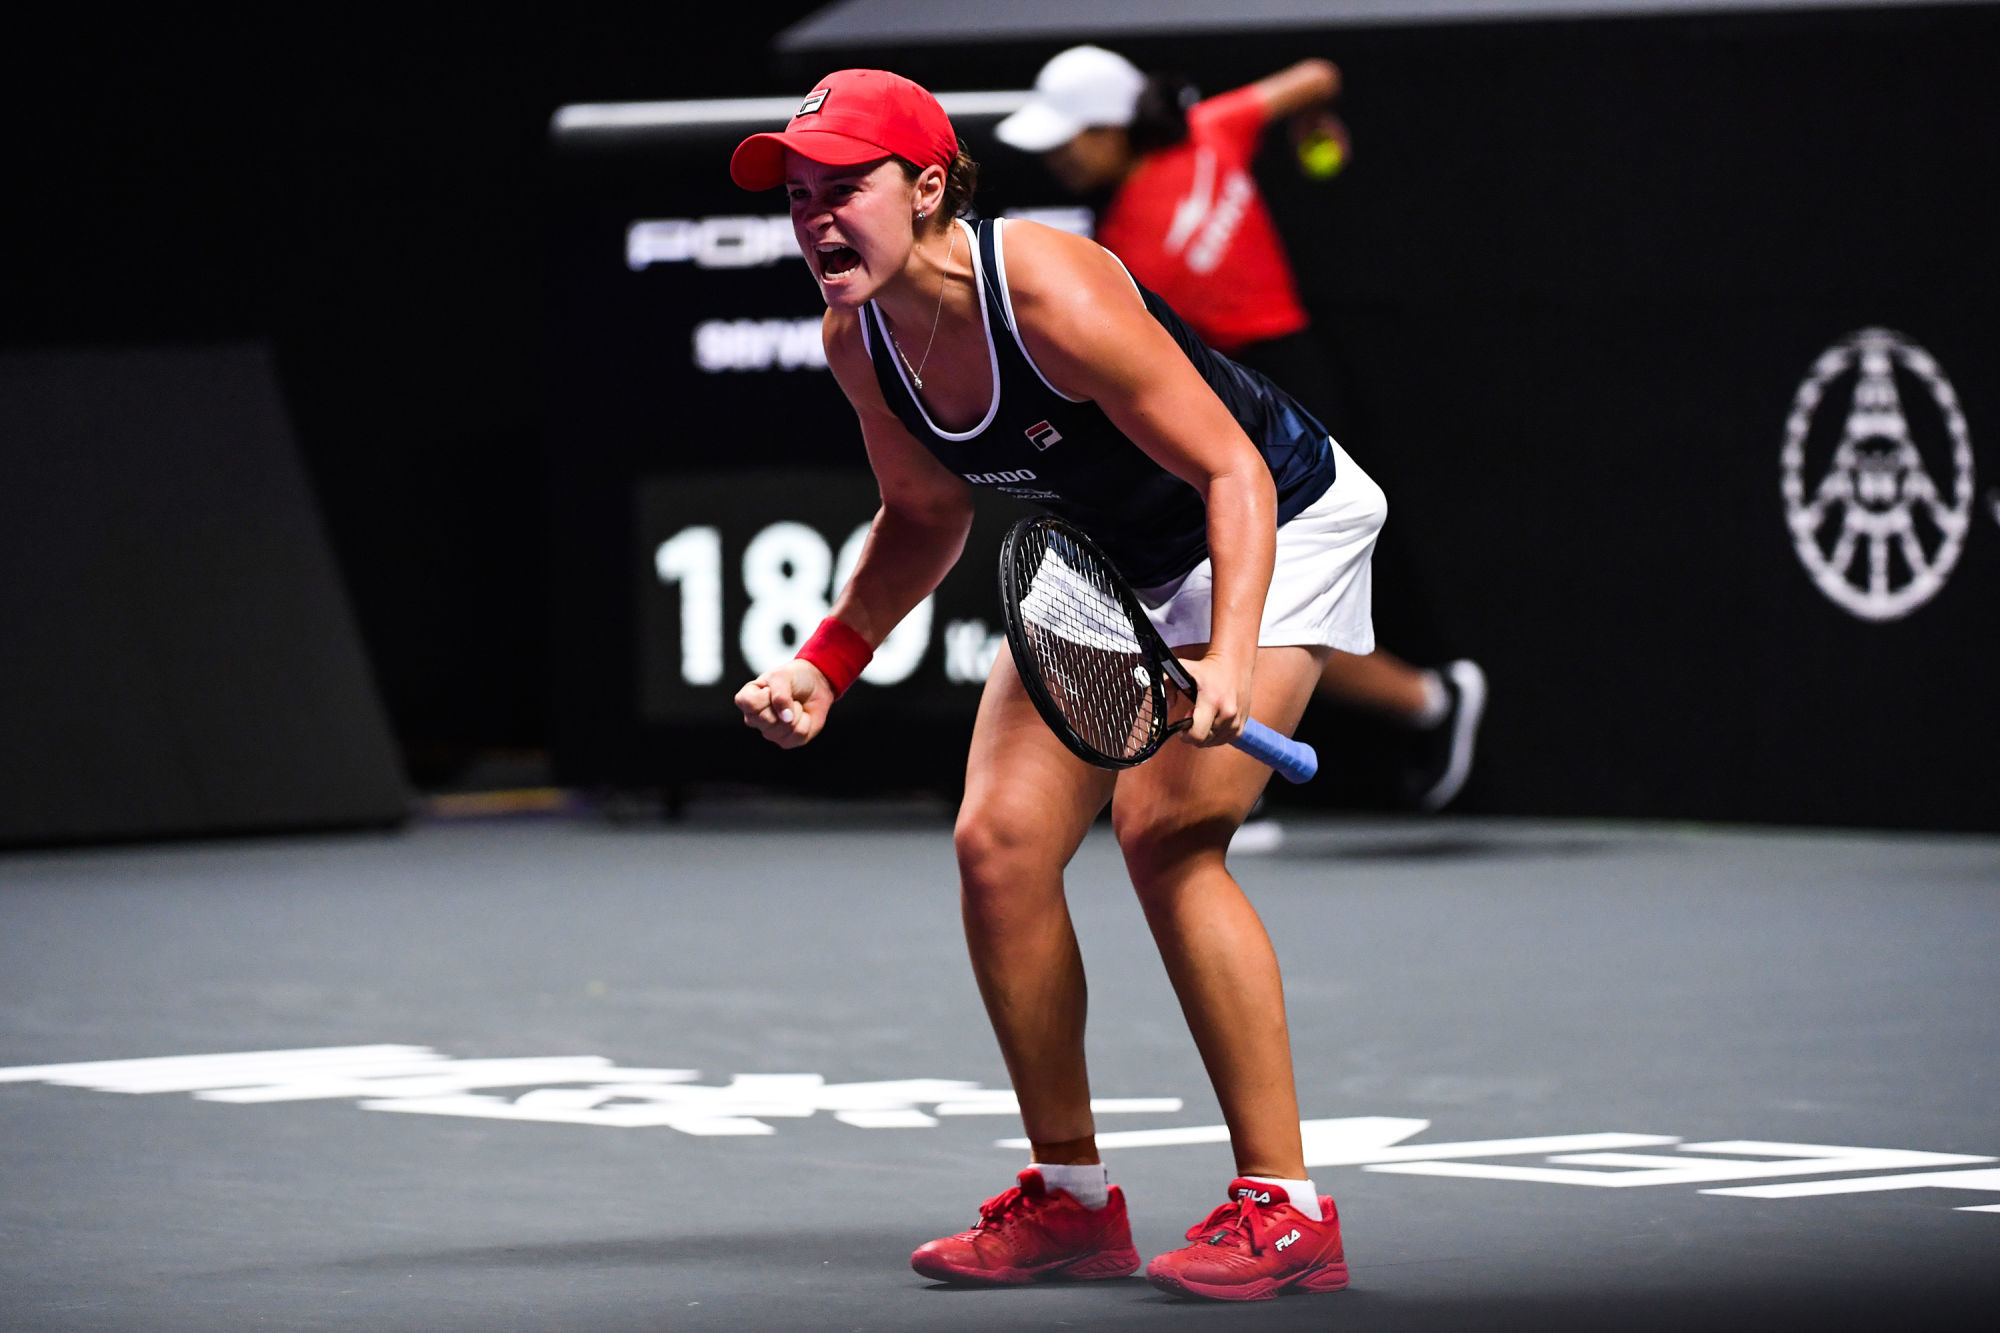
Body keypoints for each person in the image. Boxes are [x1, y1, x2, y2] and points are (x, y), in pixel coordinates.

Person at [730, 68, 1362, 1301]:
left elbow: (1231, 472)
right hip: (1111, 561)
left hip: (1276, 519)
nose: (814, 220)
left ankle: (1285, 1209)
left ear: (923, 189)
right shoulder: (856, 337)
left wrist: (1228, 658)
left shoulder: (1051, 291)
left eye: (841, 189)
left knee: (1167, 833)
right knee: (998, 845)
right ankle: (1070, 1200)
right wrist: (827, 660)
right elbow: (919, 512)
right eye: (798, 195)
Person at [998, 45, 1486, 819]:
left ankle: (1403, 709)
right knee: (1225, 599)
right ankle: (1422, 702)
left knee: (1249, 602)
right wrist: (1313, 122)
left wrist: (1313, 120)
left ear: (1121, 126)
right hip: (1242, 391)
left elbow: (1319, 75)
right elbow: (1319, 77)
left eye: (1073, 135)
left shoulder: (1119, 257)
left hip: (1272, 400)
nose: (1057, 155)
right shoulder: (1206, 135)